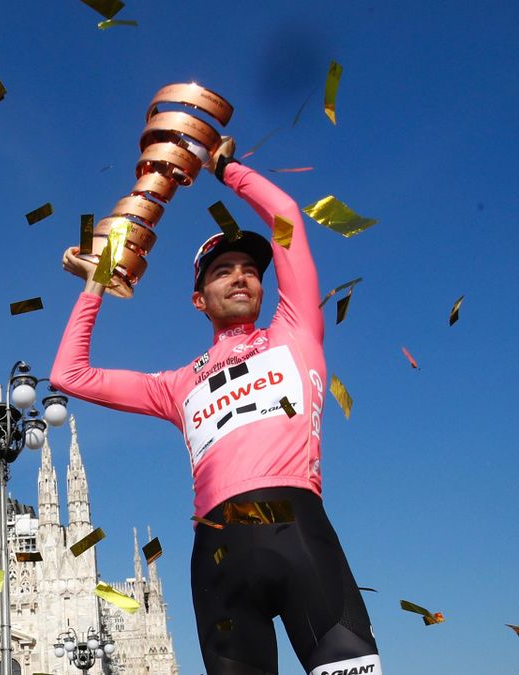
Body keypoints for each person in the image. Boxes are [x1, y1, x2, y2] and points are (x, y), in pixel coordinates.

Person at [51, 138, 382, 675]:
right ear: (198, 299)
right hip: (218, 556)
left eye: (250, 268)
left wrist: (227, 169)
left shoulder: (294, 333)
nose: (240, 276)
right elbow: (70, 375)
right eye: (222, 270)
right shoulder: (179, 384)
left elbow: (287, 217)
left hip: (296, 529)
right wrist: (95, 287)